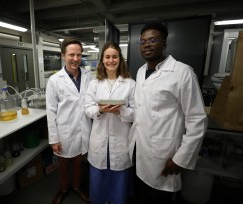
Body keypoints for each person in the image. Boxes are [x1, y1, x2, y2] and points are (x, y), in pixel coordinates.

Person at [129, 23, 207, 204]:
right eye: (142, 42)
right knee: (142, 195)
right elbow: (141, 109)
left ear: (164, 43)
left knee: (159, 197)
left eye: (153, 40)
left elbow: (197, 119)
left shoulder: (182, 72)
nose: (146, 45)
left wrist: (181, 159)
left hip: (164, 154)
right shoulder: (141, 72)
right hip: (140, 150)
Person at [84, 41, 135, 204]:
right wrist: (100, 110)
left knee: (119, 175)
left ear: (120, 59)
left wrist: (120, 111)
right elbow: (88, 108)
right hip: (99, 139)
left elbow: (136, 112)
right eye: (107, 57)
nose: (111, 60)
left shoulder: (130, 84)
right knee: (98, 175)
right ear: (102, 60)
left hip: (120, 138)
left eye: (114, 57)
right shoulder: (94, 83)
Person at [46, 37, 92, 204]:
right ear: (63, 56)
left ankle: (77, 188)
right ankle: (64, 189)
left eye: (79, 55)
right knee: (64, 165)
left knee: (79, 163)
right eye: (71, 54)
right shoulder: (54, 80)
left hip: (83, 129)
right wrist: (54, 139)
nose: (75, 59)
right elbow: (50, 112)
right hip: (64, 131)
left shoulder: (88, 76)